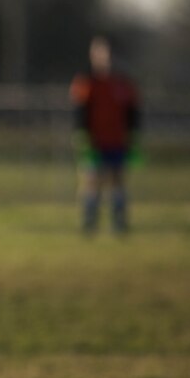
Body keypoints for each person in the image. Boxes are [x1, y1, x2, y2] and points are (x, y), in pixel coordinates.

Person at [69, 36, 141, 234]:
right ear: (93, 56)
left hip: (117, 140)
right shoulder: (86, 81)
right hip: (93, 141)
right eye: (99, 53)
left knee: (118, 180)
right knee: (91, 180)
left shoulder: (124, 83)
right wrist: (81, 135)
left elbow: (133, 112)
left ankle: (119, 223)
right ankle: (89, 223)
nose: (104, 57)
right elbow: (80, 110)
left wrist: (133, 136)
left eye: (107, 53)